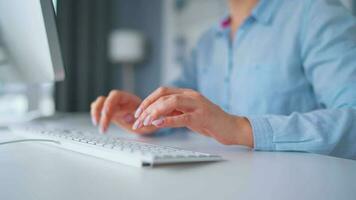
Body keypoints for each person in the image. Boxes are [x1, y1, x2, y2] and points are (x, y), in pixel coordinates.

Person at [90, 0, 356, 159]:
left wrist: (239, 129)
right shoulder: (208, 41)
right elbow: (182, 109)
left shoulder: (315, 13)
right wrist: (144, 116)